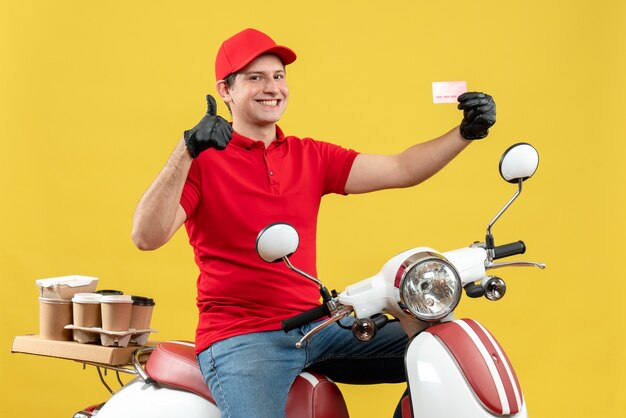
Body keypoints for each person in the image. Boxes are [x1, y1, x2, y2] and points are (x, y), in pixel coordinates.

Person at [131, 28, 496, 418]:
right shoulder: (203, 162)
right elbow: (146, 236)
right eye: (255, 77)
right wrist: (185, 150)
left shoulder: (310, 156)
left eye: (279, 76)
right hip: (243, 338)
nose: (272, 87)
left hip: (316, 327)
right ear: (225, 90)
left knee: (444, 352)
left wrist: (465, 133)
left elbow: (402, 168)